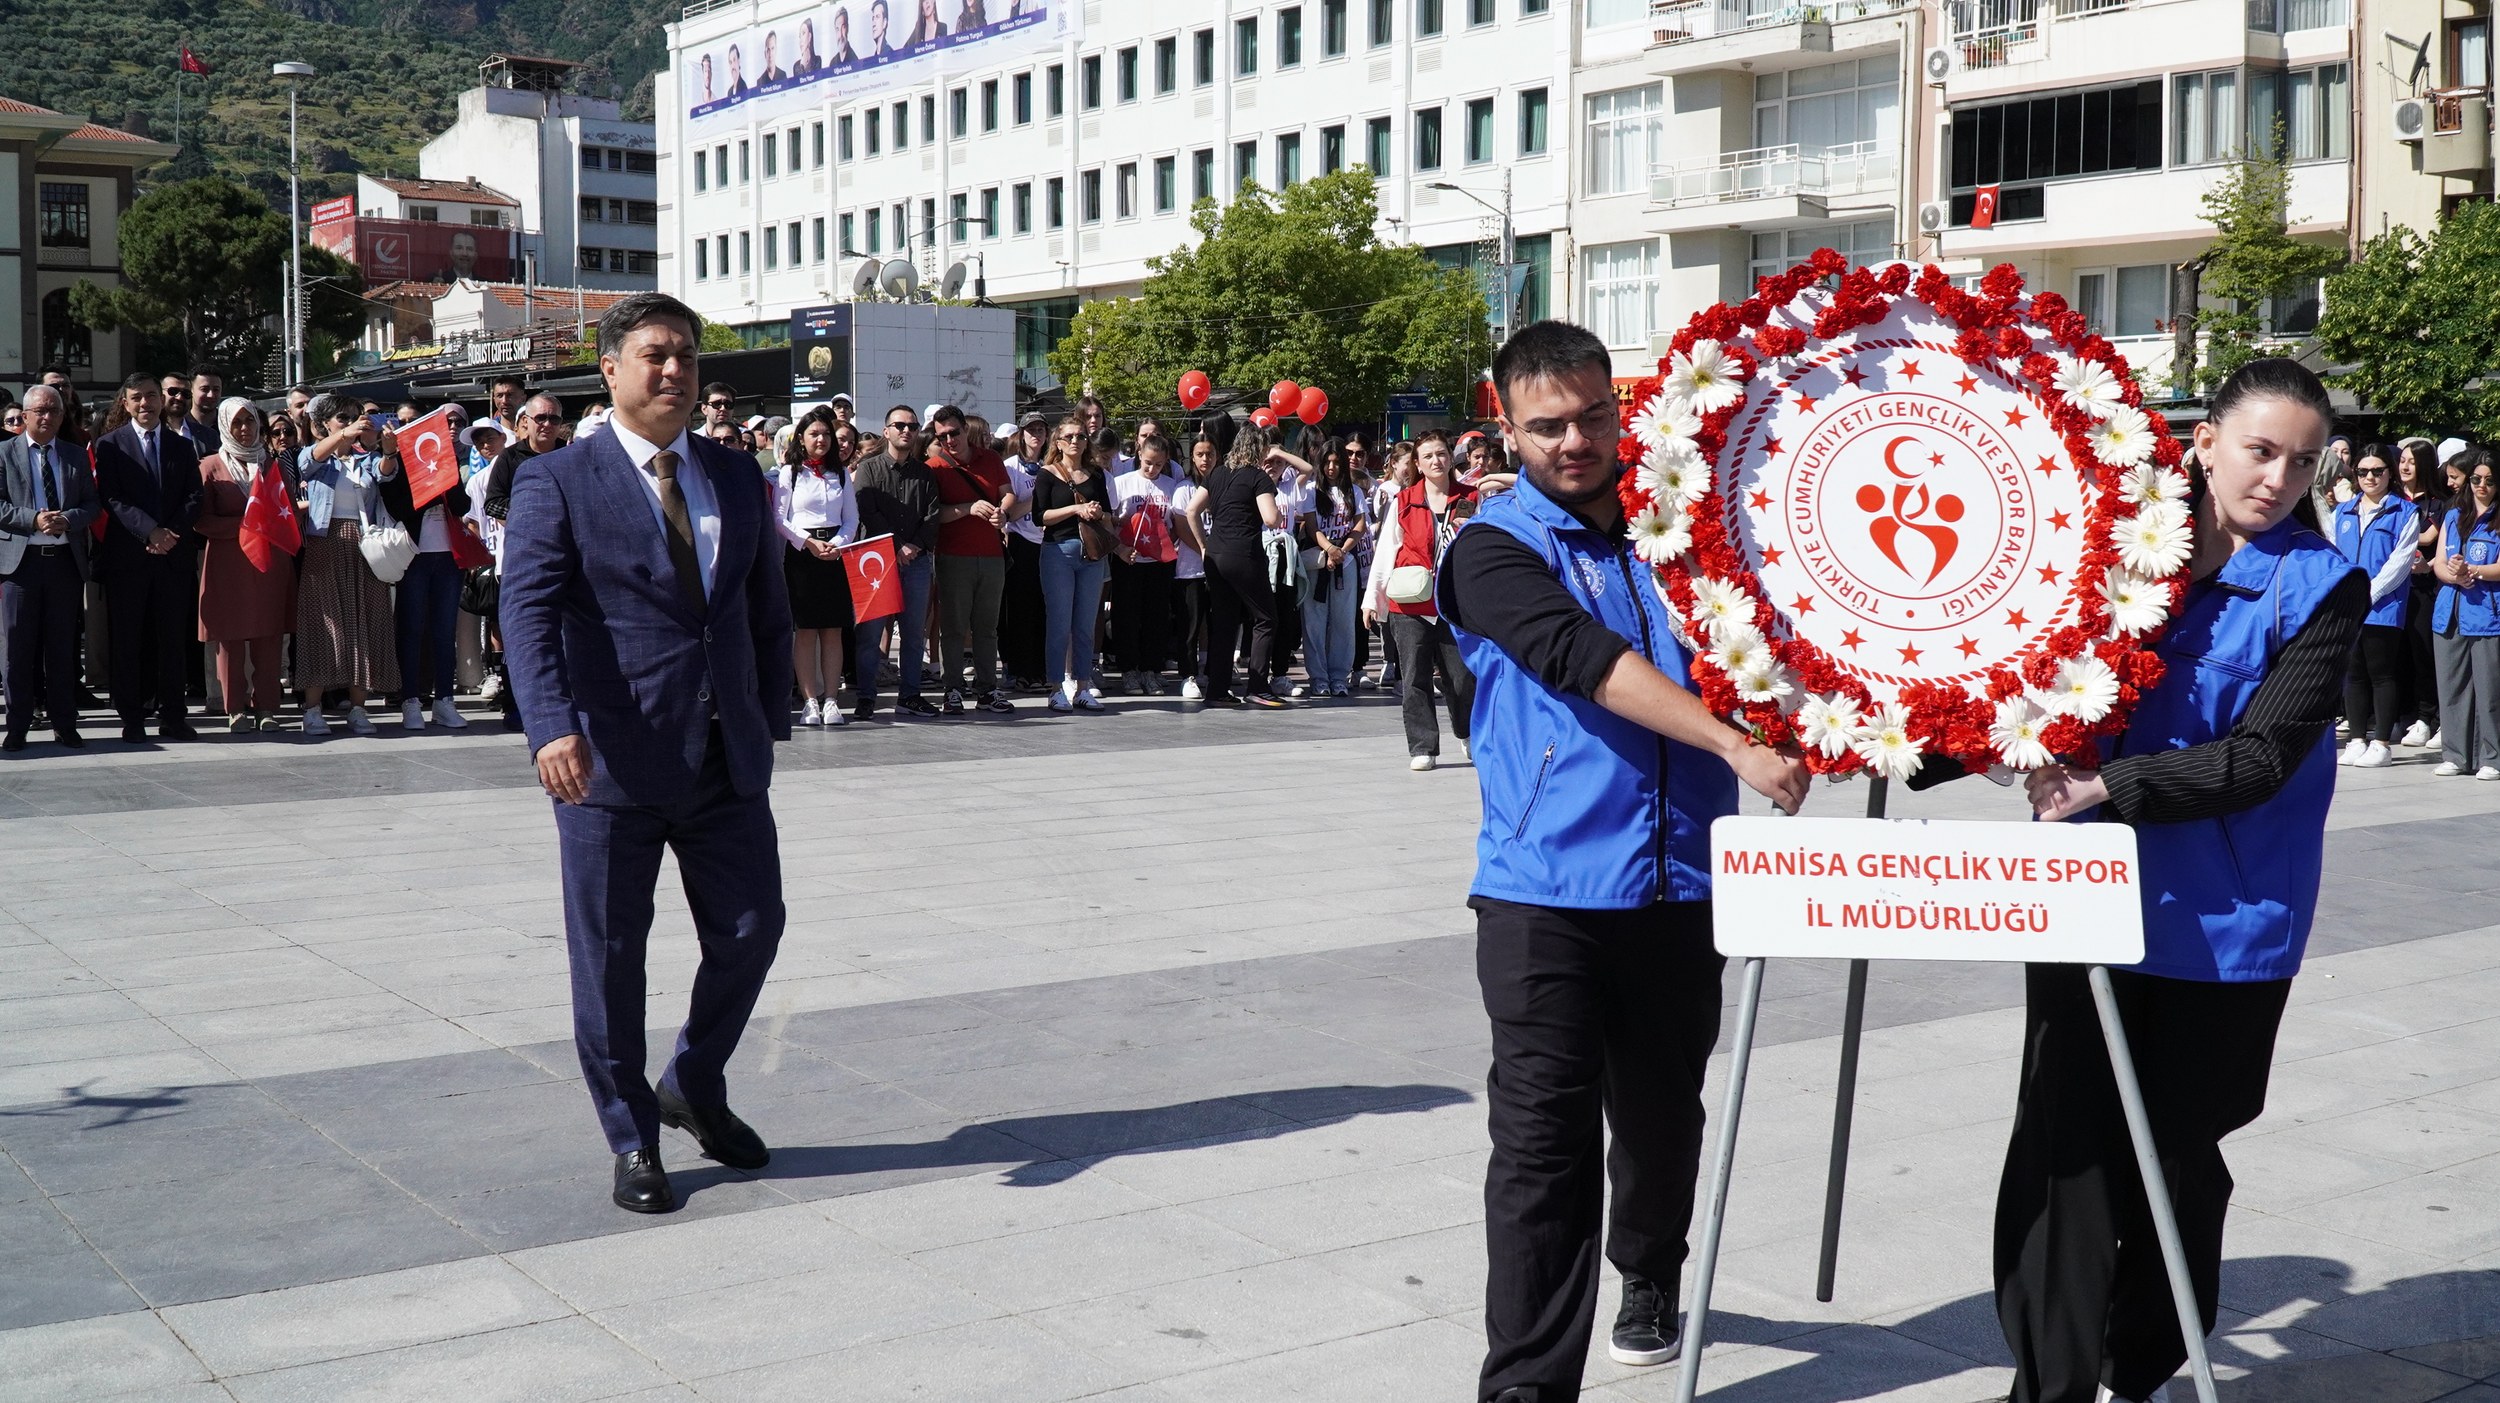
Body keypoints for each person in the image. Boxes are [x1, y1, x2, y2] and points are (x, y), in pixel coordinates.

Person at [1972, 359, 2361, 1403]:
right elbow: (2011, 663)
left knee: (2177, 1150)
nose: (2277, 477)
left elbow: (2264, 754)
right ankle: (2044, 1382)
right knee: (2062, 1146)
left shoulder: (2322, 584)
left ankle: (2139, 1357)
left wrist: (2108, 781)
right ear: (2202, 442)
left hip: (2226, 919)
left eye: (2300, 459)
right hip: (2083, 898)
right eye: (2258, 449)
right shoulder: (2109, 555)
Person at [1436, 320, 1808, 1403]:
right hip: (1539, 891)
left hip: (1685, 882)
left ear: (1620, 403)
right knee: (1539, 1147)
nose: (1574, 441)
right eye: (1545, 425)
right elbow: (1580, 658)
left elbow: (1791, 637)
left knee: (1659, 1114)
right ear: (1502, 425)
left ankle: (1647, 1272)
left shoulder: (1685, 530)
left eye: (1593, 415)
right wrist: (1735, 744)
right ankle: (1523, 1385)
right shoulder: (1491, 547)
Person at [502, 292, 795, 1215]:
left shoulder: (735, 475)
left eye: (688, 358)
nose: (675, 371)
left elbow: (761, 604)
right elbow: (529, 609)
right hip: (607, 761)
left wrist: (770, 711)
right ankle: (632, 1134)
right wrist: (551, 724)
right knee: (610, 958)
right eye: (656, 355)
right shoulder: (558, 479)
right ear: (612, 369)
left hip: (722, 757)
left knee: (753, 928)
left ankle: (693, 1081)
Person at [92, 373, 203, 742]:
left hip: (173, 557)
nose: (146, 404)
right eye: (137, 398)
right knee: (128, 640)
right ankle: (133, 717)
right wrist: (150, 531)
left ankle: (174, 714)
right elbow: (113, 497)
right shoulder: (110, 446)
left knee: (172, 639)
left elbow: (193, 496)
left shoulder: (181, 446)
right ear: (125, 403)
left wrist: (169, 534)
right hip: (130, 559)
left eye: (152, 396)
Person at [1365, 430, 1476, 770]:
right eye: (1427, 456)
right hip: (1409, 602)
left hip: (1454, 601)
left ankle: (1467, 732)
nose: (1436, 461)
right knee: (1414, 676)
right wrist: (1372, 598)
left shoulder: (1469, 497)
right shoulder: (1405, 499)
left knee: (1461, 678)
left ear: (1450, 457)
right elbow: (1386, 551)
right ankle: (1422, 747)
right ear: (1417, 462)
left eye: (1441, 453)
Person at [293, 395, 402, 737]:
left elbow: (385, 475)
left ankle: (358, 708)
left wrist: (387, 450)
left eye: (356, 417)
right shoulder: (318, 457)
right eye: (344, 418)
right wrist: (343, 436)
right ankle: (312, 709)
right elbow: (306, 461)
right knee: (322, 627)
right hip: (326, 544)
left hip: (364, 547)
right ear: (326, 423)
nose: (352, 422)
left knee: (366, 624)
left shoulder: (363, 460)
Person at [0, 386, 99, 750]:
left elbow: (93, 504)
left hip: (63, 566)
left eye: (55, 411)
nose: (48, 417)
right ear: (24, 416)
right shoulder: (4, 453)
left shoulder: (74, 456)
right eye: (40, 411)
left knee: (61, 650)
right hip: (20, 568)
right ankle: (17, 726)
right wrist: (34, 519)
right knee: (17, 652)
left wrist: (69, 519)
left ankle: (64, 723)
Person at [194, 399, 297, 734]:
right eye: (237, 422)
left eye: (250, 422)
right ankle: (234, 708)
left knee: (268, 635)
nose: (244, 429)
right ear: (225, 425)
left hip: (269, 563)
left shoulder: (271, 465)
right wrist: (244, 525)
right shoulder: (210, 466)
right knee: (230, 640)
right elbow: (200, 520)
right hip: (228, 564)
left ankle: (266, 707)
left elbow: (288, 510)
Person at [378, 416, 475, 732]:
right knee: (411, 629)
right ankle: (410, 702)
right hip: (415, 557)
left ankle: (445, 700)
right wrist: (426, 483)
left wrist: (446, 479)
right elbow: (398, 508)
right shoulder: (407, 466)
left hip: (448, 558)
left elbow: (462, 505)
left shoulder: (448, 465)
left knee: (444, 632)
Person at [2330, 444, 2418, 769]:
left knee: (2381, 673)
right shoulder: (2342, 511)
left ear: (2388, 473)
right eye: (2363, 471)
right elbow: (2332, 554)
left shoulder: (2405, 512)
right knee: (2352, 673)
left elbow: (2400, 560)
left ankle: (2381, 742)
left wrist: (2369, 592)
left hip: (2383, 605)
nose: (2370, 477)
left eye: (2377, 471)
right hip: (2348, 606)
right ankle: (2355, 739)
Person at [851, 403, 940, 719]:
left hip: (915, 561)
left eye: (912, 427)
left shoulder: (925, 472)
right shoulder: (869, 468)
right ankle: (865, 697)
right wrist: (898, 545)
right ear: (886, 431)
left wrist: (913, 546)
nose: (906, 431)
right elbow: (867, 510)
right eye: (900, 425)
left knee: (914, 632)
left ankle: (911, 695)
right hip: (875, 561)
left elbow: (932, 516)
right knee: (870, 635)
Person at [928, 404, 1016, 714]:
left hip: (991, 555)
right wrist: (968, 508)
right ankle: (952, 688)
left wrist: (1002, 510)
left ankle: (987, 689)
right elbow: (932, 515)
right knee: (952, 627)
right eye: (942, 436)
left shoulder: (990, 458)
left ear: (965, 430)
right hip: (953, 557)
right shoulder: (935, 467)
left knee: (987, 627)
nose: (949, 439)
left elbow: (1008, 493)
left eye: (954, 432)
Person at [775, 408, 858, 727]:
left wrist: (839, 542)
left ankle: (832, 700)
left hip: (835, 553)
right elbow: (779, 517)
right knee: (806, 631)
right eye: (814, 434)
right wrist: (809, 542)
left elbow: (851, 516)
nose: (821, 439)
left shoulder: (840, 473)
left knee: (833, 630)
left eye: (825, 434)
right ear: (801, 438)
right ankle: (810, 700)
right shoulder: (790, 472)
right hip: (803, 554)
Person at [1028, 415, 1116, 711]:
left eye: (1080, 436)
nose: (1076, 441)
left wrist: (1095, 511)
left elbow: (1107, 513)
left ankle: (1082, 686)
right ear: (1058, 442)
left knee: (1085, 623)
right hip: (1058, 551)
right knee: (1059, 622)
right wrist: (1076, 508)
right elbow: (1041, 516)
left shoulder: (1096, 474)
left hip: (1090, 553)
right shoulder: (1047, 474)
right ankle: (1055, 686)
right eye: (1069, 437)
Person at [1200, 421, 1290, 709]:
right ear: (1259, 449)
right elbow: (1270, 518)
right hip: (1243, 555)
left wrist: (1203, 545)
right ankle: (1258, 687)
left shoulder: (1217, 473)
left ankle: (1217, 689)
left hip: (1215, 555)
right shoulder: (1258, 477)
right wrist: (1275, 507)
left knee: (1224, 622)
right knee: (1266, 619)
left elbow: (1192, 510)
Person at [2430, 448, 2500, 781]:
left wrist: (2477, 571)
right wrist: (2454, 573)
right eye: (2476, 479)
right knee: (2452, 686)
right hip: (2451, 609)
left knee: (2490, 689)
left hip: (2488, 611)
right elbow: (2441, 563)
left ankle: (2492, 755)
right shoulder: (2454, 514)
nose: (2481, 486)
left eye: (2489, 480)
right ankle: (2455, 754)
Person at [1299, 438, 1368, 698]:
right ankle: (1318, 677)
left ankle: (1339, 675)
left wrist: (1342, 551)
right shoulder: (1311, 492)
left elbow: (1359, 527)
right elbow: (1312, 528)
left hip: (1345, 562)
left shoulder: (1355, 493)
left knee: (1343, 622)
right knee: (1315, 621)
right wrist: (1329, 549)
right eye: (1327, 462)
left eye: (1336, 462)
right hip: (1318, 560)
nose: (1331, 467)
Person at [2395, 439, 2448, 748]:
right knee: (2398, 655)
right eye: (2402, 460)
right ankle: (2404, 714)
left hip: (2424, 588)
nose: (2404, 466)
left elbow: (2430, 535)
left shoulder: (2438, 503)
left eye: (2412, 461)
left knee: (2423, 653)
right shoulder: (2391, 499)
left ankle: (2431, 718)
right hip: (2393, 589)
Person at [998, 413, 1051, 689]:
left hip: (1047, 544)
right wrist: (1038, 497)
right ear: (1021, 433)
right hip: (1021, 543)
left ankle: (1039, 669)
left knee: (1043, 609)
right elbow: (1011, 513)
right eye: (1031, 429)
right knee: (1019, 610)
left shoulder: (1051, 465)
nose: (1036, 435)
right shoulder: (1010, 467)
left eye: (1041, 430)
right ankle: (1018, 669)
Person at [1167, 432, 1216, 700]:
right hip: (1190, 568)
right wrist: (1205, 550)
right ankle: (1188, 675)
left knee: (1214, 622)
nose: (1205, 459)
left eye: (1210, 454)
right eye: (1200, 454)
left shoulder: (1222, 484)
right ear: (1192, 457)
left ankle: (1209, 668)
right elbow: (1181, 526)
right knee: (1191, 625)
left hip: (1219, 567)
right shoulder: (1184, 488)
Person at [179, 369, 224, 457]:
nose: (211, 395)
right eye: (204, 389)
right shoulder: (180, 425)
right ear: (191, 390)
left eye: (216, 390)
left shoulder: (229, 426)